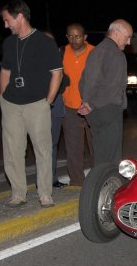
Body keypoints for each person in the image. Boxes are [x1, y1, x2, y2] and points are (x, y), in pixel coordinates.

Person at [0, 0, 63, 208]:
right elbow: (5, 72)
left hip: (37, 104)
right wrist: (2, 98)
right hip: (11, 104)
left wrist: (49, 101)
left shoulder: (44, 43)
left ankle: (45, 193)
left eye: (8, 20)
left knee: (42, 149)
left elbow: (57, 73)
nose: (6, 25)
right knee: (13, 150)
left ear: (20, 16)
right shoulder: (9, 43)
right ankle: (18, 193)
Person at [78, 20, 132, 166]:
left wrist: (87, 103)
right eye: (127, 37)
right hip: (109, 109)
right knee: (111, 159)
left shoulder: (96, 50)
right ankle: (109, 188)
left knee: (101, 155)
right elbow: (113, 88)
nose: (128, 42)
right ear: (116, 32)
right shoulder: (116, 54)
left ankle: (100, 185)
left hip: (94, 112)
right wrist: (91, 104)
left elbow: (83, 81)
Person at [60, 23, 94, 186]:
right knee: (73, 148)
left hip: (92, 107)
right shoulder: (61, 53)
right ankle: (77, 181)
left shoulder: (95, 52)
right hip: (70, 107)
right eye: (70, 36)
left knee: (95, 146)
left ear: (85, 37)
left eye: (78, 36)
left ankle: (97, 179)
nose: (74, 40)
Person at [42, 31, 68, 189]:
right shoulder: (32, 59)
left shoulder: (57, 58)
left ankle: (50, 179)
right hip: (36, 106)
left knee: (51, 144)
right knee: (41, 145)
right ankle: (43, 180)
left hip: (54, 106)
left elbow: (64, 80)